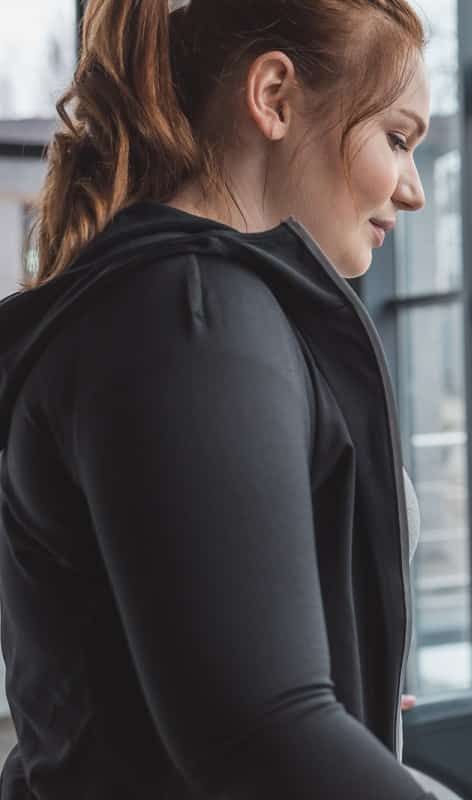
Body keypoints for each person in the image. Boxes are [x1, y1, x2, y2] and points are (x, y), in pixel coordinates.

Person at [0, 0, 440, 796]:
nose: (412, 191)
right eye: (397, 138)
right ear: (273, 96)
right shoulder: (189, 317)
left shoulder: (186, 307)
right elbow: (263, 730)